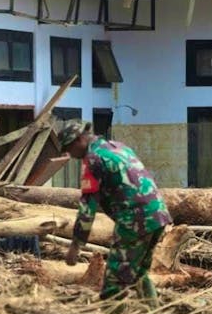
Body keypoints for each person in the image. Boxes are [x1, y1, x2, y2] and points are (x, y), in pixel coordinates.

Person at [58, 120, 172, 302]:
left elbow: (88, 206)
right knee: (138, 273)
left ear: (79, 140)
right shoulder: (118, 147)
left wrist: (76, 245)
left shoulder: (93, 159)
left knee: (114, 278)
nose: (70, 155)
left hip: (134, 220)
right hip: (158, 214)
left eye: (69, 149)